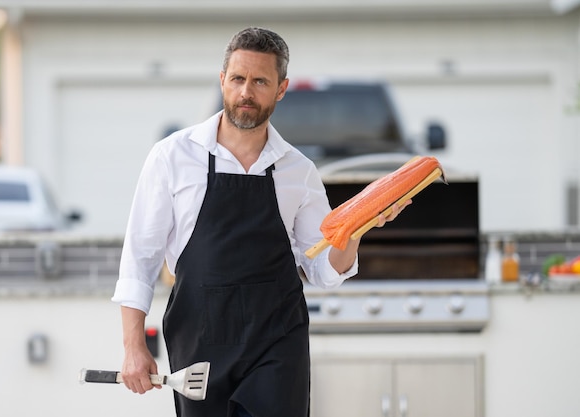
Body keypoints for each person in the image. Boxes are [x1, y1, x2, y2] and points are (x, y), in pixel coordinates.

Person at [112, 27, 409, 417]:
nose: (246, 92)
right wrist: (134, 347)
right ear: (223, 81)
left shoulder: (298, 171)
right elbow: (140, 258)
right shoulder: (172, 157)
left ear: (281, 89)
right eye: (237, 79)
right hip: (199, 342)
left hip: (276, 342)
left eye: (260, 81)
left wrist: (353, 232)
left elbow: (321, 269)